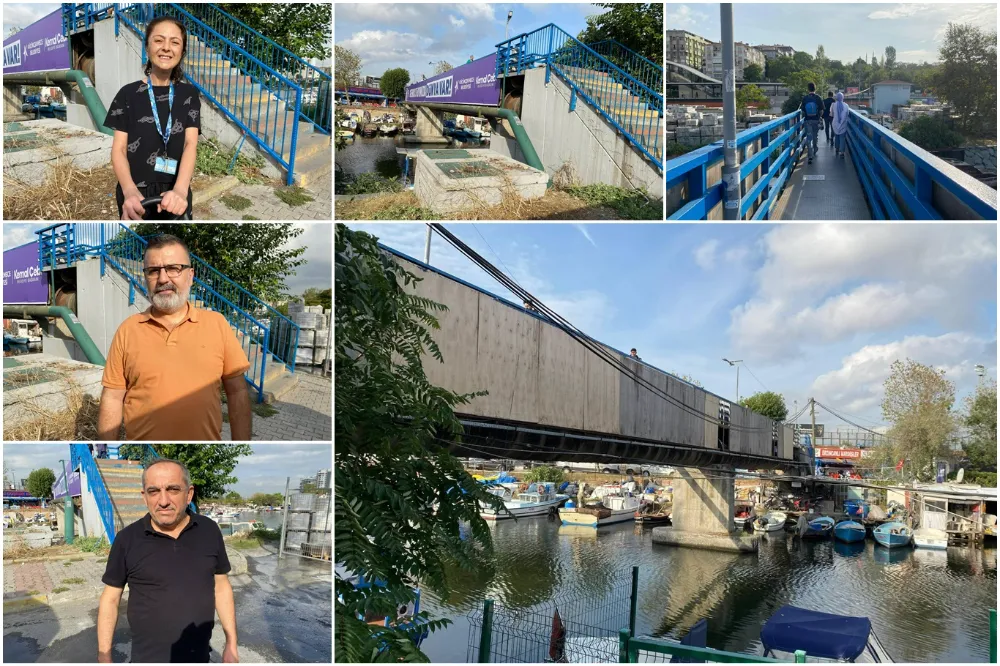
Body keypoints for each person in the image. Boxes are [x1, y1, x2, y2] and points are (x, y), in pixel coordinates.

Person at [97, 234, 252, 441]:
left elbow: (237, 392)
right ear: (145, 278)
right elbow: (112, 398)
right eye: (153, 271)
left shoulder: (217, 324)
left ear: (190, 275)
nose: (163, 279)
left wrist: (241, 444)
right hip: (142, 453)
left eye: (173, 268)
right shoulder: (128, 330)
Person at [97, 459, 238, 663]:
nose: (163, 501)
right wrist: (104, 656)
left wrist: (231, 643)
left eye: (173, 489)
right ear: (144, 497)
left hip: (198, 657)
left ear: (188, 494)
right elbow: (110, 599)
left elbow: (222, 586)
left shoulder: (209, 531)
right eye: (154, 491)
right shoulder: (127, 539)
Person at [104, 16, 201, 220]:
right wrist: (129, 191)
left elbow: (190, 144)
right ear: (147, 48)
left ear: (182, 52)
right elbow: (119, 149)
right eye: (158, 40)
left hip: (175, 193)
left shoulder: (189, 94)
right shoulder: (127, 94)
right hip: (135, 194)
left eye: (174, 42)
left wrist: (181, 191)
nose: (166, 48)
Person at [799, 82, 824, 165]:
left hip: (807, 120)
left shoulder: (805, 98)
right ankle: (815, 149)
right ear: (815, 88)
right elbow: (821, 110)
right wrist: (819, 117)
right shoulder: (818, 98)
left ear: (808, 89)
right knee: (815, 135)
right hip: (816, 120)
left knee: (809, 137)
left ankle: (810, 155)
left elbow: (802, 111)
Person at [831, 91, 850, 159]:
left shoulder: (833, 105)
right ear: (842, 98)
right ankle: (842, 152)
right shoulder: (846, 105)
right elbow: (847, 114)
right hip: (843, 124)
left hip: (835, 123)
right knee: (842, 137)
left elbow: (832, 114)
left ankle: (837, 148)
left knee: (837, 136)